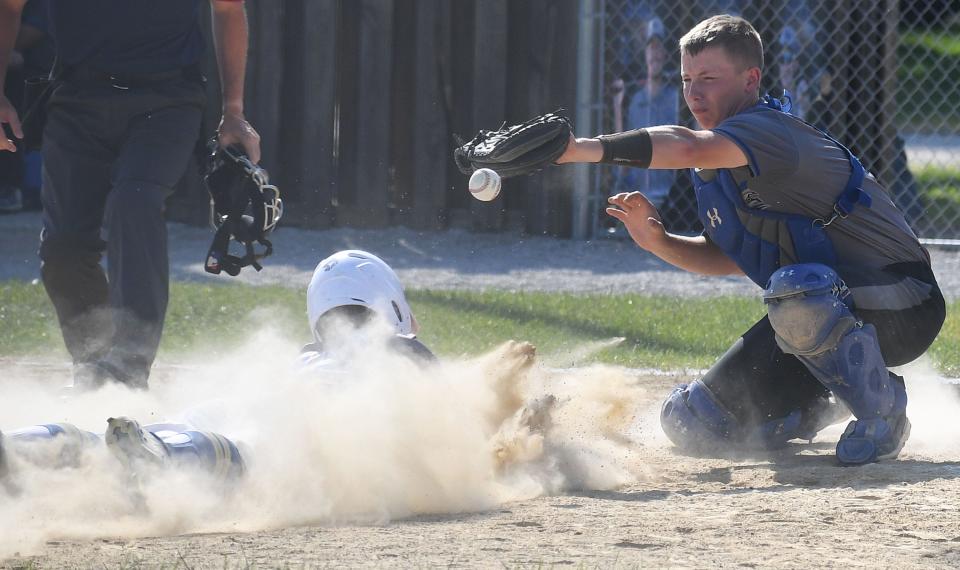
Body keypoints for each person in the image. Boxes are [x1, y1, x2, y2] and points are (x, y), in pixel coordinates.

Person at [557, 15, 945, 465]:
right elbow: (728, 255)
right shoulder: (717, 158)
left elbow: (685, 145)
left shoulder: (769, 132)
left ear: (750, 79)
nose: (694, 92)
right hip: (818, 311)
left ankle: (883, 413)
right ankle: (820, 403)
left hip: (905, 302)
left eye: (709, 78)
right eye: (686, 79)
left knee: (798, 292)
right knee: (695, 422)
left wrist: (579, 149)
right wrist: (657, 240)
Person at [0, 250, 435, 488]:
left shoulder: (311, 355)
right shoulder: (400, 350)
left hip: (260, 403)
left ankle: (23, 446)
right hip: (305, 419)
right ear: (387, 302)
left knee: (137, 433)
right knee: (238, 448)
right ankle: (163, 459)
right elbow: (452, 413)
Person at [0, 0, 262, 390]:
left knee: (134, 201)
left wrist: (234, 110)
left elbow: (227, 8)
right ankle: (94, 368)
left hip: (169, 100)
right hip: (75, 99)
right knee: (63, 251)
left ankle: (128, 367)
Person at [610, 16, 678, 210]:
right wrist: (617, 105)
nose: (655, 53)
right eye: (651, 47)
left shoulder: (675, 98)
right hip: (638, 191)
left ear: (666, 54)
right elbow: (624, 154)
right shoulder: (635, 101)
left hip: (670, 195)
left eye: (659, 48)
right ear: (645, 53)